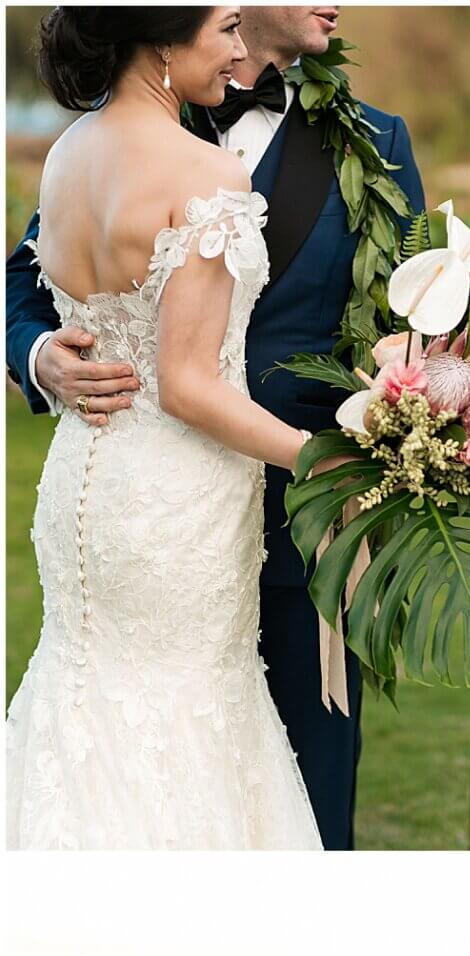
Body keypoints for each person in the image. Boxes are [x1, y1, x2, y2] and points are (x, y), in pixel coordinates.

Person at [6, 5, 425, 849]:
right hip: (193, 510)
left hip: (280, 537)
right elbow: (27, 283)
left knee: (229, 764)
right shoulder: (178, 155)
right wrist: (40, 352)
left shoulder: (375, 142)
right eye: (227, 24)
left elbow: (416, 320)